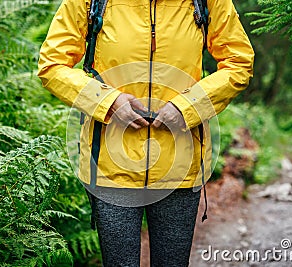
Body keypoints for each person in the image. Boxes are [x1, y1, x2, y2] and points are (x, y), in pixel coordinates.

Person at [38, 0, 254, 266]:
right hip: (110, 165)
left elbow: (238, 62)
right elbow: (52, 65)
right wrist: (109, 103)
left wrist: (186, 107)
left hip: (180, 166)